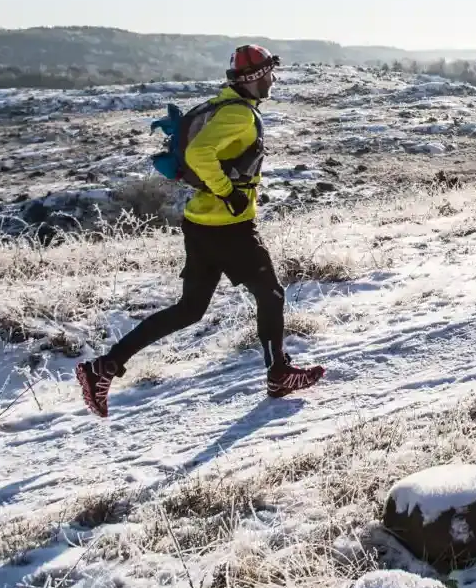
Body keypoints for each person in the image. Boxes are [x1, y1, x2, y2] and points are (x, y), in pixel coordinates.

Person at [75, 44, 324, 417]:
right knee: (270, 294)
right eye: (269, 73)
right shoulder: (238, 116)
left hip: (200, 222)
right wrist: (229, 194)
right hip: (229, 226)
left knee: (189, 310)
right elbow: (198, 155)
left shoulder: (220, 105)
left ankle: (104, 368)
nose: (273, 79)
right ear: (254, 78)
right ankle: (279, 373)